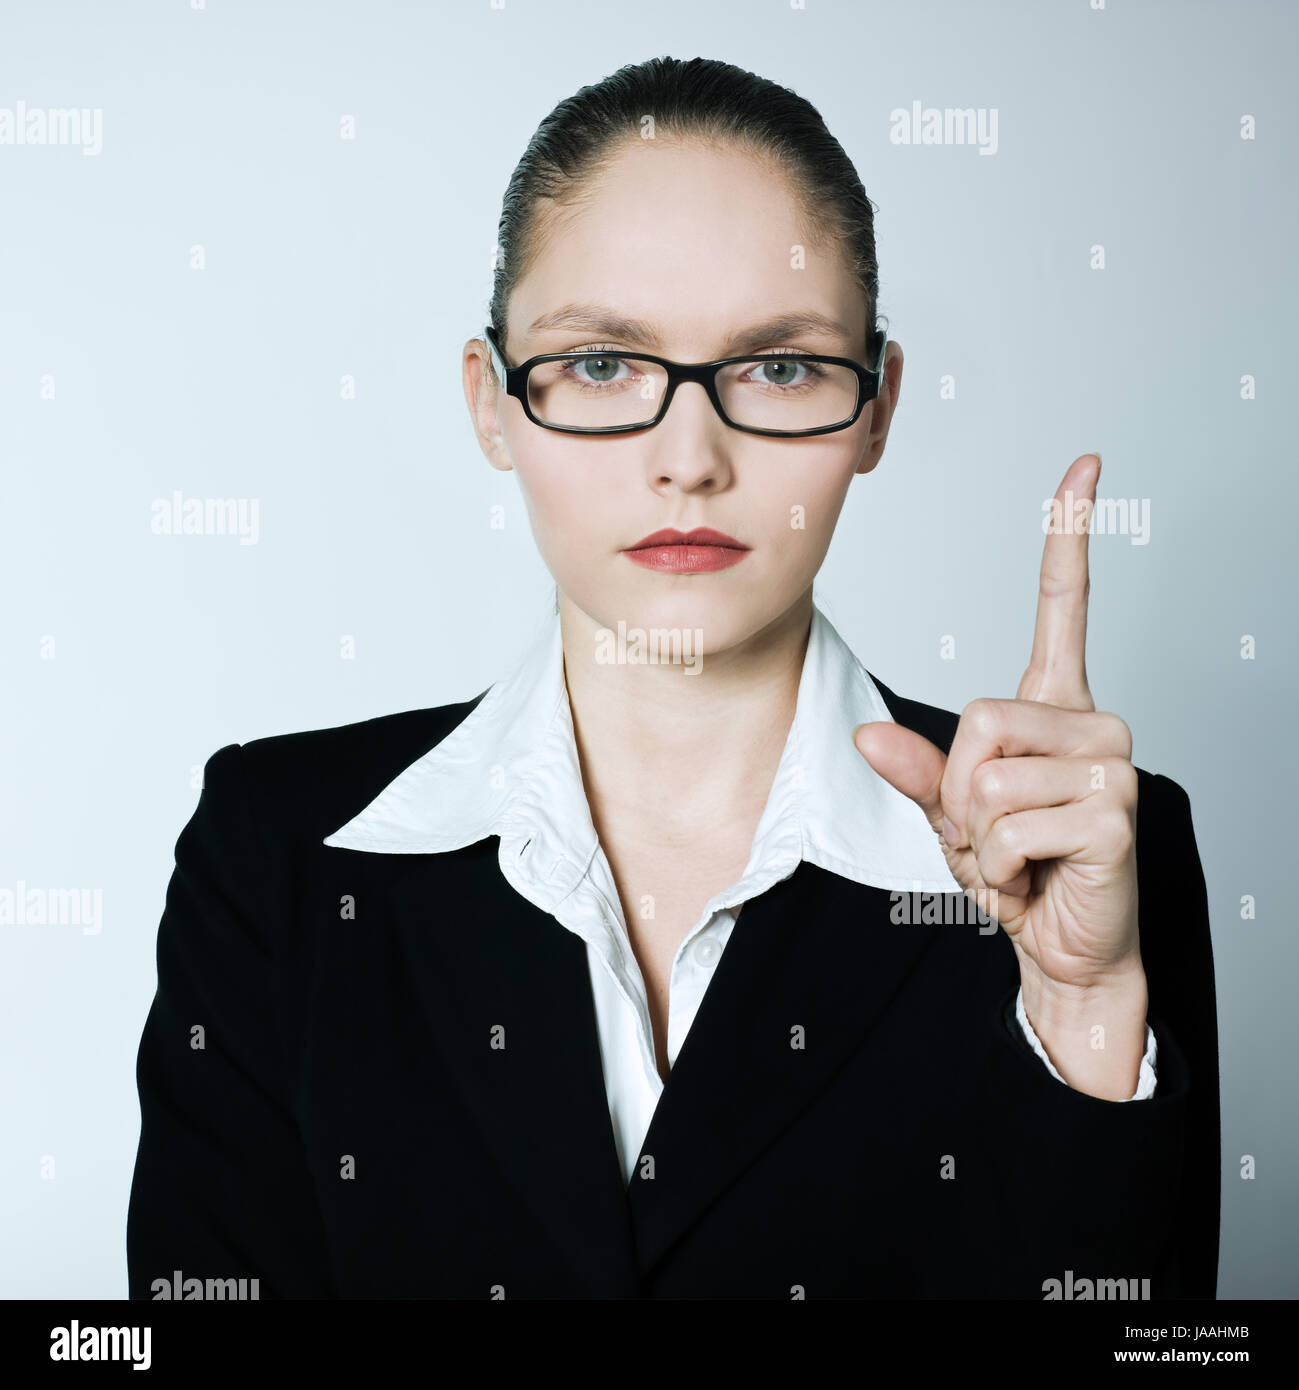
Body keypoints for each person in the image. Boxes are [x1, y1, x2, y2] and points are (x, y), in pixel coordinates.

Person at [127, 55, 1219, 1299]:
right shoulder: (279, 850)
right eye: (601, 364)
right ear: (492, 403)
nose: (687, 457)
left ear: (877, 407)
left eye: (778, 366)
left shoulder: (1082, 844)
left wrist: (1082, 1022)